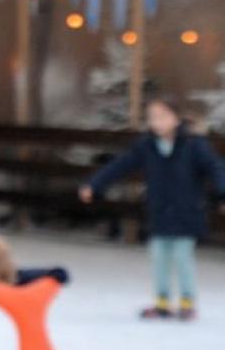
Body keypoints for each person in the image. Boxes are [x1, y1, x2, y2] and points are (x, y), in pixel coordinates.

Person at [80, 96, 225, 320]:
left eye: (162, 117)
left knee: (181, 256)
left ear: (176, 119)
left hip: (187, 213)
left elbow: (216, 169)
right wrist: (94, 184)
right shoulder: (146, 146)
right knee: (158, 257)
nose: (157, 122)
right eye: (152, 118)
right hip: (159, 212)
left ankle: (187, 302)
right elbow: (120, 166)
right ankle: (162, 302)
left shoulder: (194, 145)